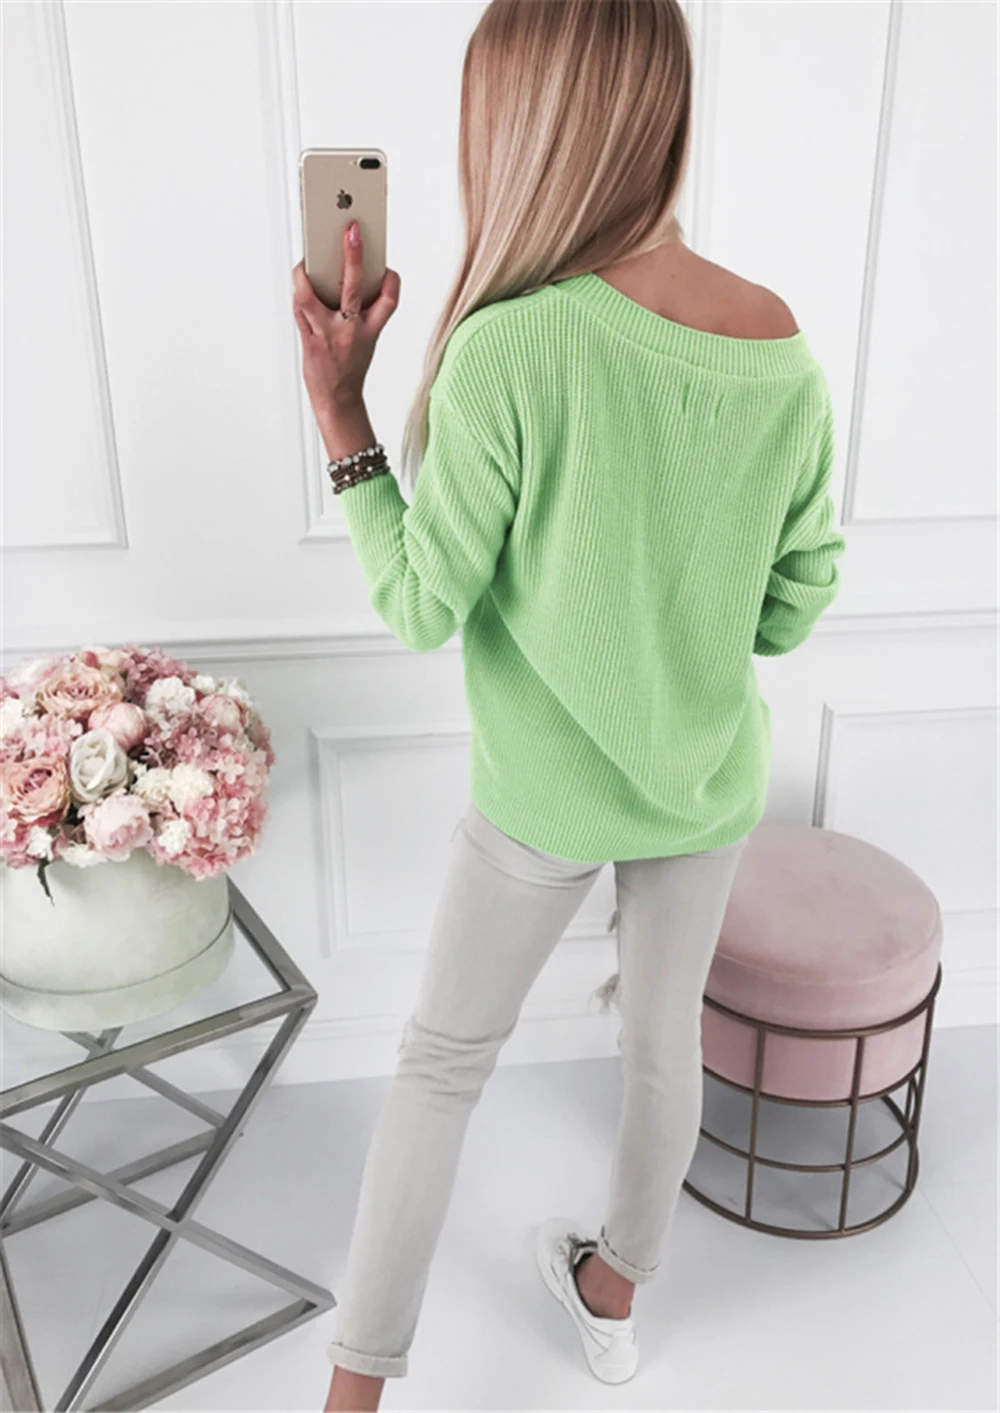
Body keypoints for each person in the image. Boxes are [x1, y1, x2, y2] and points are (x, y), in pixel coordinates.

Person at [292, 2, 847, 1407]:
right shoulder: (778, 341)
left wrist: (344, 418)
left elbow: (420, 603)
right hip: (704, 788)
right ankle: (614, 1300)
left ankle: (354, 1394)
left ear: (522, 128)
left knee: (439, 1068)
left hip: (543, 799)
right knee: (665, 1055)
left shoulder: (511, 348)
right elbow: (792, 608)